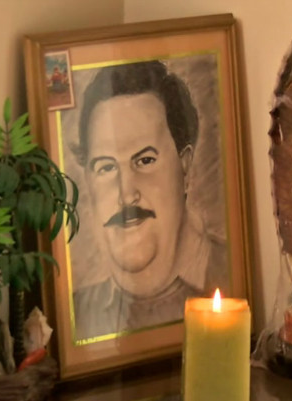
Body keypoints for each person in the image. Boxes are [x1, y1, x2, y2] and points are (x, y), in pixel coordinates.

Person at [72, 60, 228, 339]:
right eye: (106, 167)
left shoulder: (231, 280)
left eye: (145, 160)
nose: (126, 194)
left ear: (184, 167)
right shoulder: (76, 316)